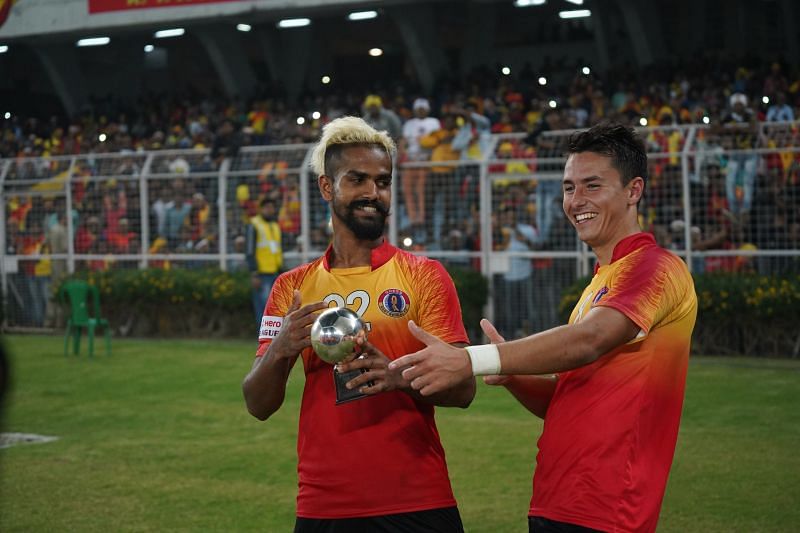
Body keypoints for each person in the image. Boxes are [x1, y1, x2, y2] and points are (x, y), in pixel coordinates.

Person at [390, 122, 698, 533]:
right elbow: (567, 400)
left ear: (633, 191)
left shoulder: (655, 267)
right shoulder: (603, 279)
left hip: (608, 508)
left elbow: (588, 340)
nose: (576, 201)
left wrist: (472, 359)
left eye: (592, 186)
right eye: (569, 188)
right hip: (561, 500)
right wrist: (513, 375)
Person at [242, 116, 475, 532]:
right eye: (357, 179)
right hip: (324, 504)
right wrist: (283, 347)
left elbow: (463, 390)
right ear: (327, 187)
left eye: (382, 182)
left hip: (416, 498)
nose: (373, 193)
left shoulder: (425, 276)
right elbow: (258, 404)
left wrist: (398, 375)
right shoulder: (292, 288)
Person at [245, 197, 283, 325]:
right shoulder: (254, 224)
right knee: (263, 309)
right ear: (261, 209)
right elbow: (249, 250)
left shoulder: (275, 225)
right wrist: (254, 272)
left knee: (275, 309)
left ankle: (273, 340)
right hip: (261, 273)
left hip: (275, 272)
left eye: (271, 207)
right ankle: (263, 340)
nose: (270, 210)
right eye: (267, 207)